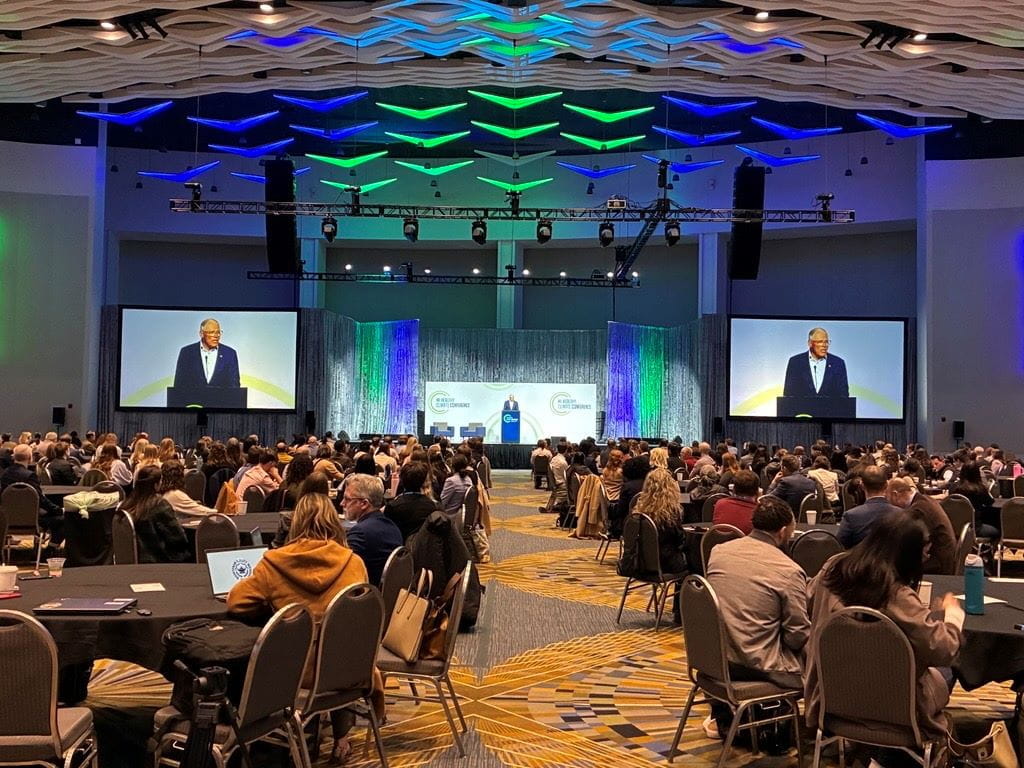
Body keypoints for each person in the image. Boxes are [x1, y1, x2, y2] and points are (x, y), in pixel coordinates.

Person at [227, 493, 379, 764]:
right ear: (333, 521)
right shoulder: (353, 563)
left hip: (294, 674)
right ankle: (340, 737)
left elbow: (236, 603)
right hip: (347, 670)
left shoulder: (273, 563)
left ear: (295, 522)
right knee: (338, 639)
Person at [805, 512, 963, 740]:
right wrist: (953, 616)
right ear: (907, 555)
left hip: (830, 696)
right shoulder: (896, 594)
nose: (925, 560)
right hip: (891, 707)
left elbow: (809, 601)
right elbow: (943, 649)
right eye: (924, 554)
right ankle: (888, 755)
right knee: (949, 667)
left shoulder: (832, 567)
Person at [706, 496, 808, 689]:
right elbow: (797, 637)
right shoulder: (789, 570)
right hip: (759, 665)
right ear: (783, 531)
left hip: (715, 657)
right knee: (830, 663)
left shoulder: (718, 552)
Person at [887, 477, 957, 575]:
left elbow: (914, 542)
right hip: (943, 556)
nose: (889, 504)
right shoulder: (924, 500)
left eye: (888, 499)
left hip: (938, 563)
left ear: (895, 495)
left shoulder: (918, 509)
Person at [343, 474, 404, 587]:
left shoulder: (361, 533)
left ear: (364, 504)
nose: (342, 503)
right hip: (387, 596)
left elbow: (341, 570)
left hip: (365, 597)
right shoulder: (393, 527)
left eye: (347, 499)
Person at [122, 466, 191, 563]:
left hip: (136, 559)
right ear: (156, 485)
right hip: (160, 558)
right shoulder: (159, 504)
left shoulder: (127, 504)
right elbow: (178, 538)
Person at [0, 443, 64, 545]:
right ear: (30, 458)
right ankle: (49, 550)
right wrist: (59, 510)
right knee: (63, 520)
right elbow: (41, 500)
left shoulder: (5, 474)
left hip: (8, 520)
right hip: (32, 521)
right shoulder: (30, 476)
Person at [837, 465, 898, 548]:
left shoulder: (851, 516)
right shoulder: (902, 514)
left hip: (860, 560)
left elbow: (839, 546)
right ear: (886, 485)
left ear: (862, 486)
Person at [173, 317, 240, 389]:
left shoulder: (229, 354)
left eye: (218, 332)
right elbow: (179, 386)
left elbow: (234, 387)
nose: (216, 336)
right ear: (201, 334)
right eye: (211, 332)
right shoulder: (187, 353)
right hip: (193, 399)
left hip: (221, 399)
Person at [782, 327, 849, 398]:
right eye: (820, 342)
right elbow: (788, 395)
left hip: (830, 409)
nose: (824, 345)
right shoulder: (796, 362)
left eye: (826, 342)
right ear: (810, 343)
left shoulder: (838, 363)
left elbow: (844, 396)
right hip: (802, 409)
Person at [385, 461, 441, 541]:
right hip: (424, 549)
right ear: (423, 482)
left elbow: (388, 534)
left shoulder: (392, 506)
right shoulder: (433, 506)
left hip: (400, 549)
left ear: (402, 481)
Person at [712, 469, 759, 534]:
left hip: (719, 543)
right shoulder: (759, 512)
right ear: (757, 491)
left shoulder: (720, 503)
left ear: (733, 489)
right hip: (746, 544)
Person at [440, 454, 473, 527]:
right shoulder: (469, 479)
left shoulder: (451, 481)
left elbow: (442, 503)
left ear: (453, 466)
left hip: (450, 517)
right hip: (462, 518)